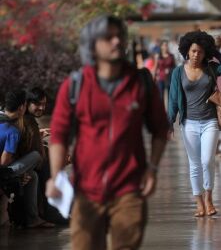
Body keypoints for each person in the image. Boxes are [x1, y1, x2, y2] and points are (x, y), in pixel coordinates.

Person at [46, 15, 169, 250]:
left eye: (119, 36)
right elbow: (59, 135)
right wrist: (55, 175)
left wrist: (152, 169)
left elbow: (161, 129)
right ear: (92, 44)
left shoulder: (140, 83)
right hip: (85, 191)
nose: (116, 42)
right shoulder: (75, 85)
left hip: (129, 189)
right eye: (108, 37)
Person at [168, 31, 221, 217]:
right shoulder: (178, 72)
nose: (197, 55)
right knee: (194, 164)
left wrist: (215, 52)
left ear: (205, 53)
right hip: (188, 124)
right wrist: (169, 123)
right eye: (193, 51)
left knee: (207, 160)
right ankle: (199, 203)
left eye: (201, 51)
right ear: (186, 52)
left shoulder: (211, 68)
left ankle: (209, 198)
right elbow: (173, 100)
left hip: (210, 121)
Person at [0, 89, 53, 228]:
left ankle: (32, 219)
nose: (42, 107)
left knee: (32, 176)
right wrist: (19, 172)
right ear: (22, 107)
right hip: (4, 173)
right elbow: (4, 162)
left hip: (6, 170)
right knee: (36, 156)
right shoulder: (12, 131)